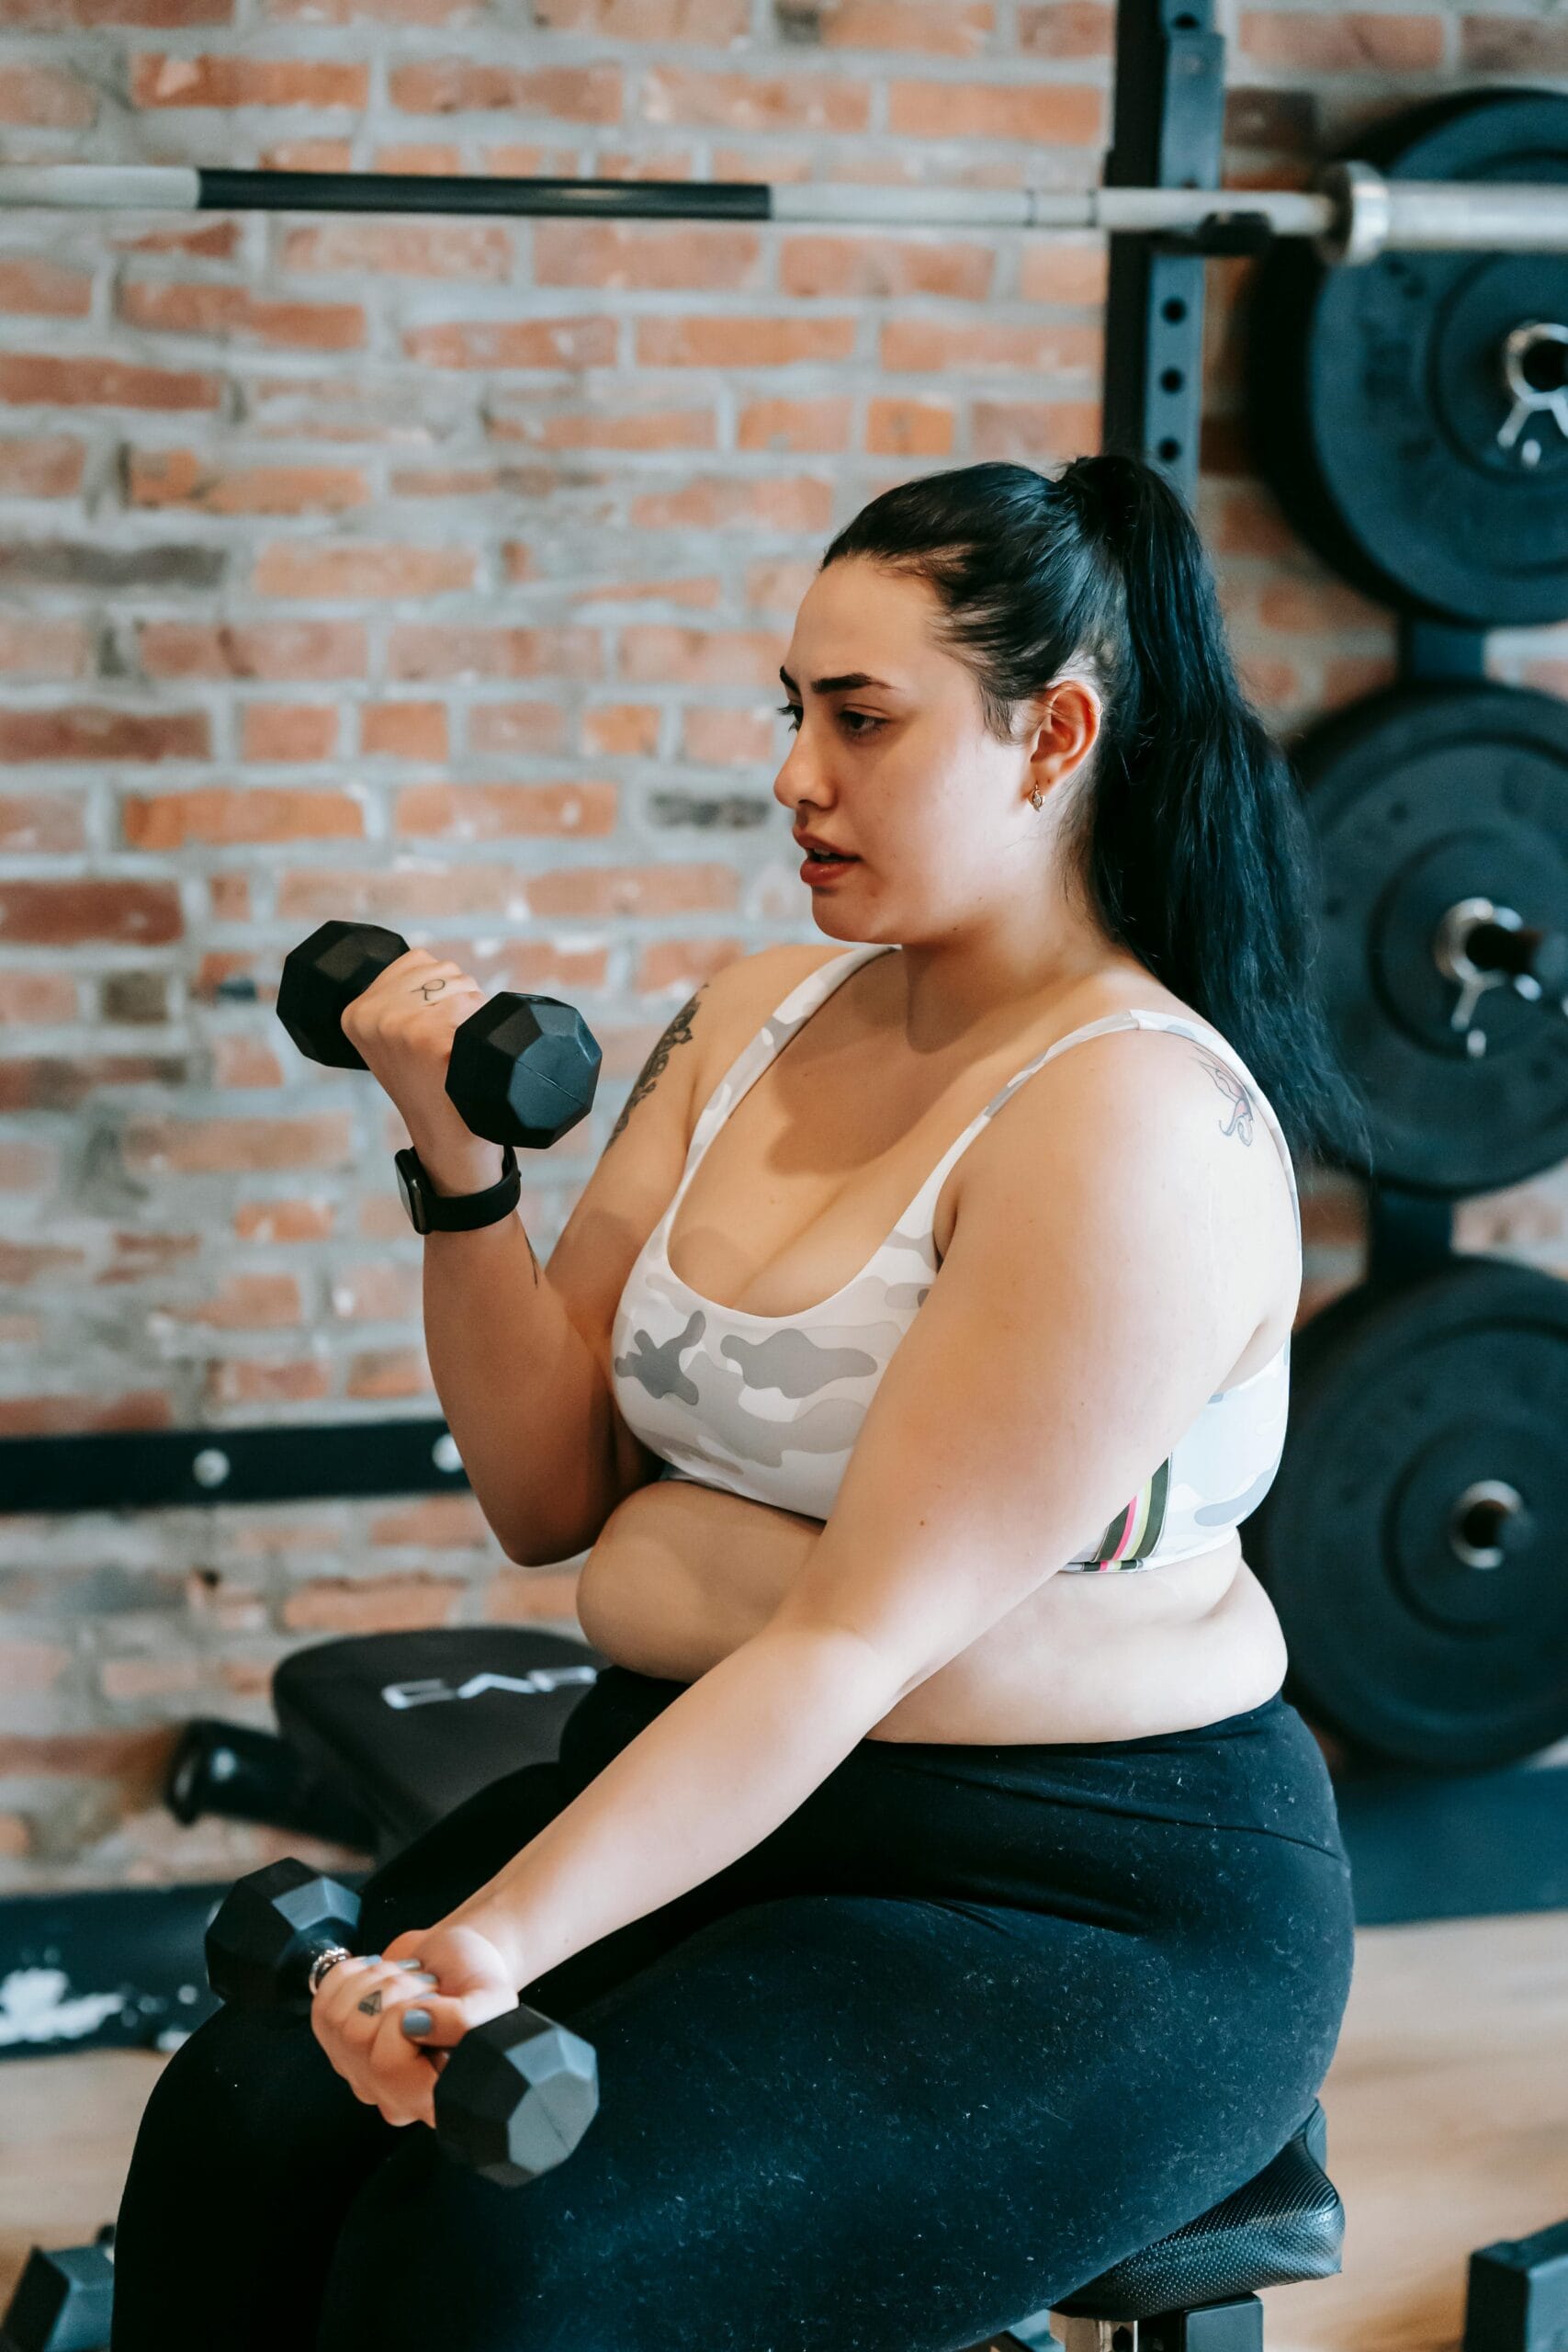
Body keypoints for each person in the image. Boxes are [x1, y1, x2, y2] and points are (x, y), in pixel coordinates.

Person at [111, 454, 1361, 2352]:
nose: (796, 773)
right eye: (796, 710)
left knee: (507, 2269)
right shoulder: (749, 1014)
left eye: (862, 720)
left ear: (1053, 736)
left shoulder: (1128, 1123)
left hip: (1076, 1895)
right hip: (706, 1778)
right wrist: (457, 1162)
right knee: (237, 2127)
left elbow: (844, 1637)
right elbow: (548, 1494)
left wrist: (498, 1941)